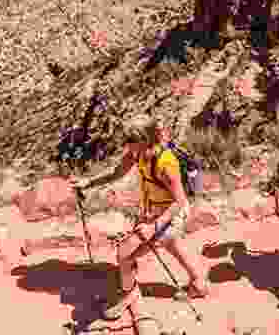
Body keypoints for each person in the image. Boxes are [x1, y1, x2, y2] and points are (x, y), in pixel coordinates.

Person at [70, 118, 209, 320]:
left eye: (130, 140)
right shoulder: (138, 153)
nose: (126, 144)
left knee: (126, 252)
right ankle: (198, 283)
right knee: (171, 243)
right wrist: (88, 182)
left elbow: (179, 202)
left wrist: (153, 226)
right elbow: (116, 172)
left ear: (144, 139)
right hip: (154, 211)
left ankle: (129, 294)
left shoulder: (165, 163)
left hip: (172, 213)